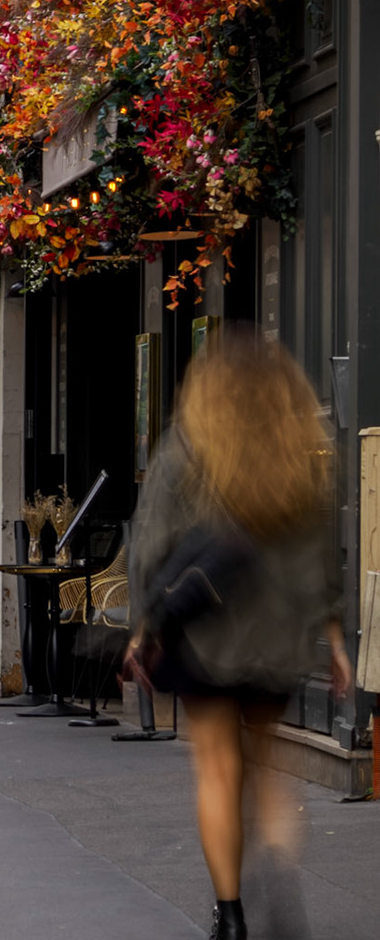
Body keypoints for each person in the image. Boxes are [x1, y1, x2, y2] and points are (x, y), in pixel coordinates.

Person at [128, 334, 351, 940]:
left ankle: (231, 917)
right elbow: (321, 558)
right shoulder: (303, 451)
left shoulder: (187, 449)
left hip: (205, 637)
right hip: (277, 638)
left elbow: (152, 547)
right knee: (268, 770)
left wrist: (143, 626)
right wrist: (333, 638)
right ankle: (279, 874)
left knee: (218, 771)